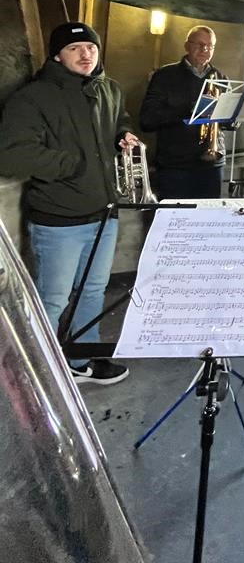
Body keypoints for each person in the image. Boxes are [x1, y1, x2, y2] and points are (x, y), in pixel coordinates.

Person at [0, 21, 139, 385]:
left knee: (92, 292)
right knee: (53, 300)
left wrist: (124, 136)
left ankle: (80, 362)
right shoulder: (33, 98)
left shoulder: (109, 89)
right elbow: (11, 156)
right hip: (59, 221)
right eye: (75, 48)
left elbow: (118, 122)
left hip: (104, 213)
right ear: (57, 55)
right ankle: (38, 376)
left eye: (90, 47)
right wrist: (74, 165)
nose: (86, 53)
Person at [139, 25, 227, 200]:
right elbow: (147, 120)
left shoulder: (220, 78)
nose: (205, 49)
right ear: (187, 46)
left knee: (208, 222)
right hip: (175, 165)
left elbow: (223, 123)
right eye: (199, 44)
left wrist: (232, 116)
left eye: (210, 46)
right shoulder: (165, 76)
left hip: (212, 166)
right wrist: (189, 110)